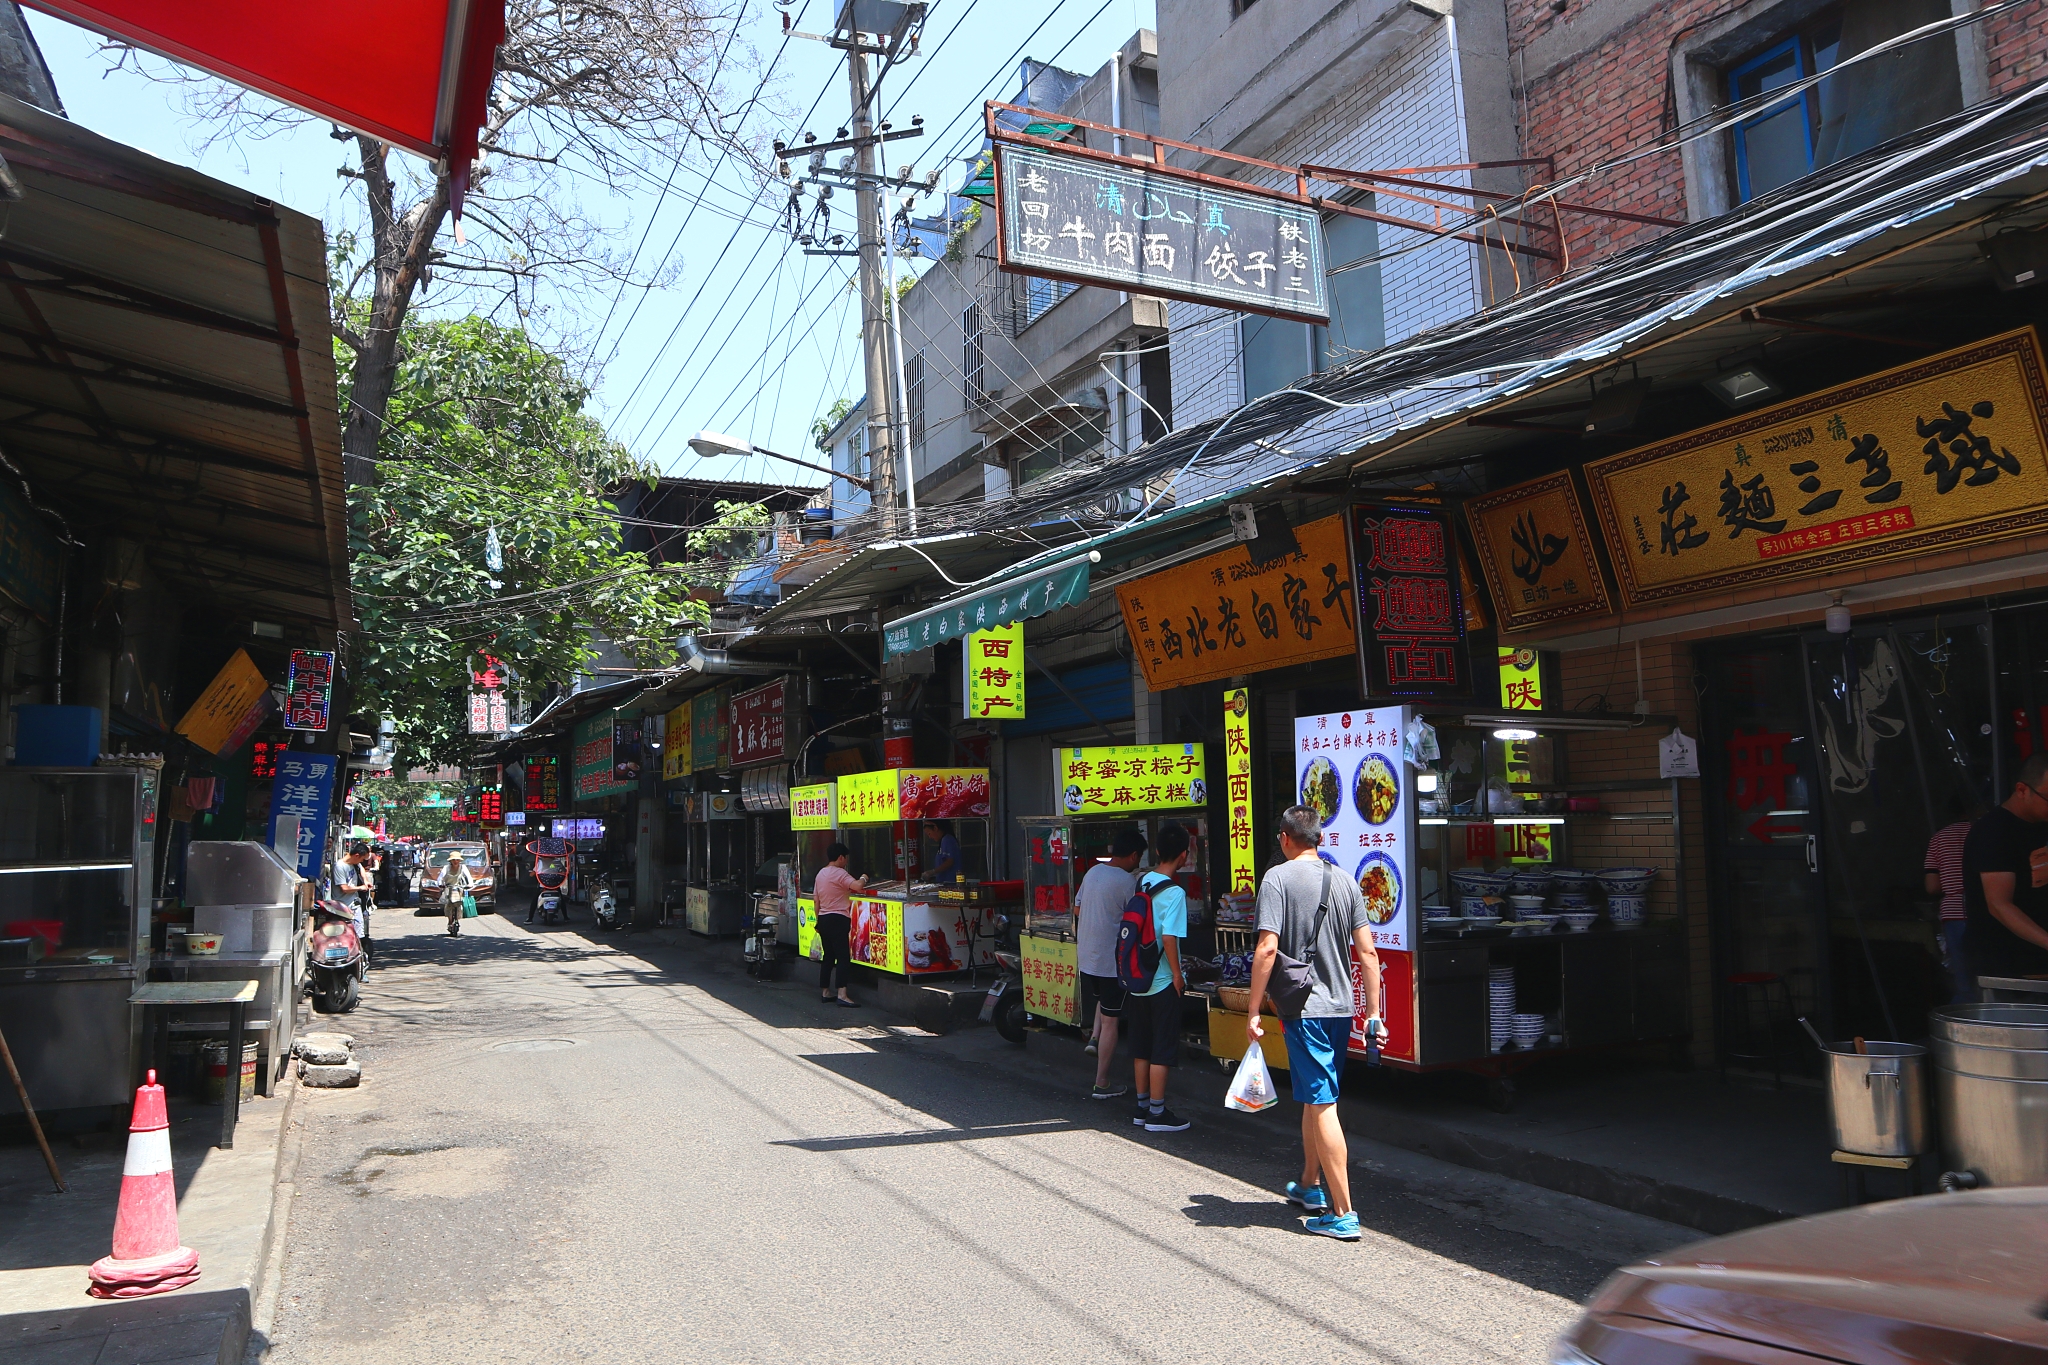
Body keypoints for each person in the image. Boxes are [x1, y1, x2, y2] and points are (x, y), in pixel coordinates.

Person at [1246, 804, 1383, 1242]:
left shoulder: (1277, 878)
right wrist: (1374, 1013)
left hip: (1304, 1009)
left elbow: (1267, 949)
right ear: (1319, 838)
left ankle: (1343, 1212)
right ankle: (1309, 1184)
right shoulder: (1345, 881)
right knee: (1314, 1095)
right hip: (1341, 1008)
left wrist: (1251, 1010)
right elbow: (1368, 953)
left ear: (1285, 838)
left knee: (1323, 1103)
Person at [1127, 822, 1193, 1133]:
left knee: (1141, 1044)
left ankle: (1141, 1107)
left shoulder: (1143, 882)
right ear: (1184, 855)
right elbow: (1169, 939)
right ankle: (1157, 1112)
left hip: (1137, 976)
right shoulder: (1175, 892)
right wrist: (1178, 976)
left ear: (1156, 851)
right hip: (1162, 979)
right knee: (1162, 1047)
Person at [1962, 754, 2048, 991]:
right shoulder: (1994, 832)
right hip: (2006, 966)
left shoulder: (2042, 826)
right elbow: (2000, 905)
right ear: (2022, 790)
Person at [1076, 828, 1145, 1100]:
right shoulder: (1128, 882)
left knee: (1103, 1006)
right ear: (1134, 855)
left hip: (1087, 957)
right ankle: (1102, 1082)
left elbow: (1077, 908)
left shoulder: (1093, 872)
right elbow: (1136, 920)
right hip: (1110, 961)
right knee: (1112, 1020)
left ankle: (1094, 1038)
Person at [1926, 798, 1987, 1002]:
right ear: (1976, 808)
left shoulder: (1939, 839)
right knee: (1990, 978)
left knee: (1963, 982)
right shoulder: (1986, 832)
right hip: (1988, 909)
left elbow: (1932, 886)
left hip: (1953, 914)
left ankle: (1962, 1026)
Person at [814, 842, 866, 1008]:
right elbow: (857, 886)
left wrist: (818, 920)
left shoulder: (821, 874)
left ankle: (825, 992)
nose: (846, 861)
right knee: (843, 957)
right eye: (846, 858)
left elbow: (816, 901)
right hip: (838, 919)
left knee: (828, 956)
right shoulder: (840, 873)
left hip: (823, 919)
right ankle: (842, 994)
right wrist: (864, 877)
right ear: (841, 857)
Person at [334, 841, 376, 960]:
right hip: (342, 907)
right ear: (356, 855)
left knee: (360, 935)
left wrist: (365, 880)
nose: (362, 862)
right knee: (345, 936)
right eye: (362, 859)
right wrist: (360, 887)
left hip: (355, 904)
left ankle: (360, 961)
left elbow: (361, 869)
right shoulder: (339, 866)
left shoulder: (355, 863)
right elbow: (344, 888)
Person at [440, 853, 474, 938]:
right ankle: (450, 921)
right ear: (451, 861)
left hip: (459, 888)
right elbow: (440, 878)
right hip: (448, 888)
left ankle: (457, 919)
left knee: (459, 906)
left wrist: (470, 884)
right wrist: (440, 884)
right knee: (449, 905)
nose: (456, 861)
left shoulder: (463, 868)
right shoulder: (446, 868)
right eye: (454, 860)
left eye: (457, 860)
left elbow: (469, 877)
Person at [923, 820, 961, 885]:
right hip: (944, 883)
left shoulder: (947, 839)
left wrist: (932, 872)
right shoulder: (944, 840)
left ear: (935, 828)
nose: (930, 837)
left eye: (929, 833)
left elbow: (949, 861)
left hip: (950, 884)